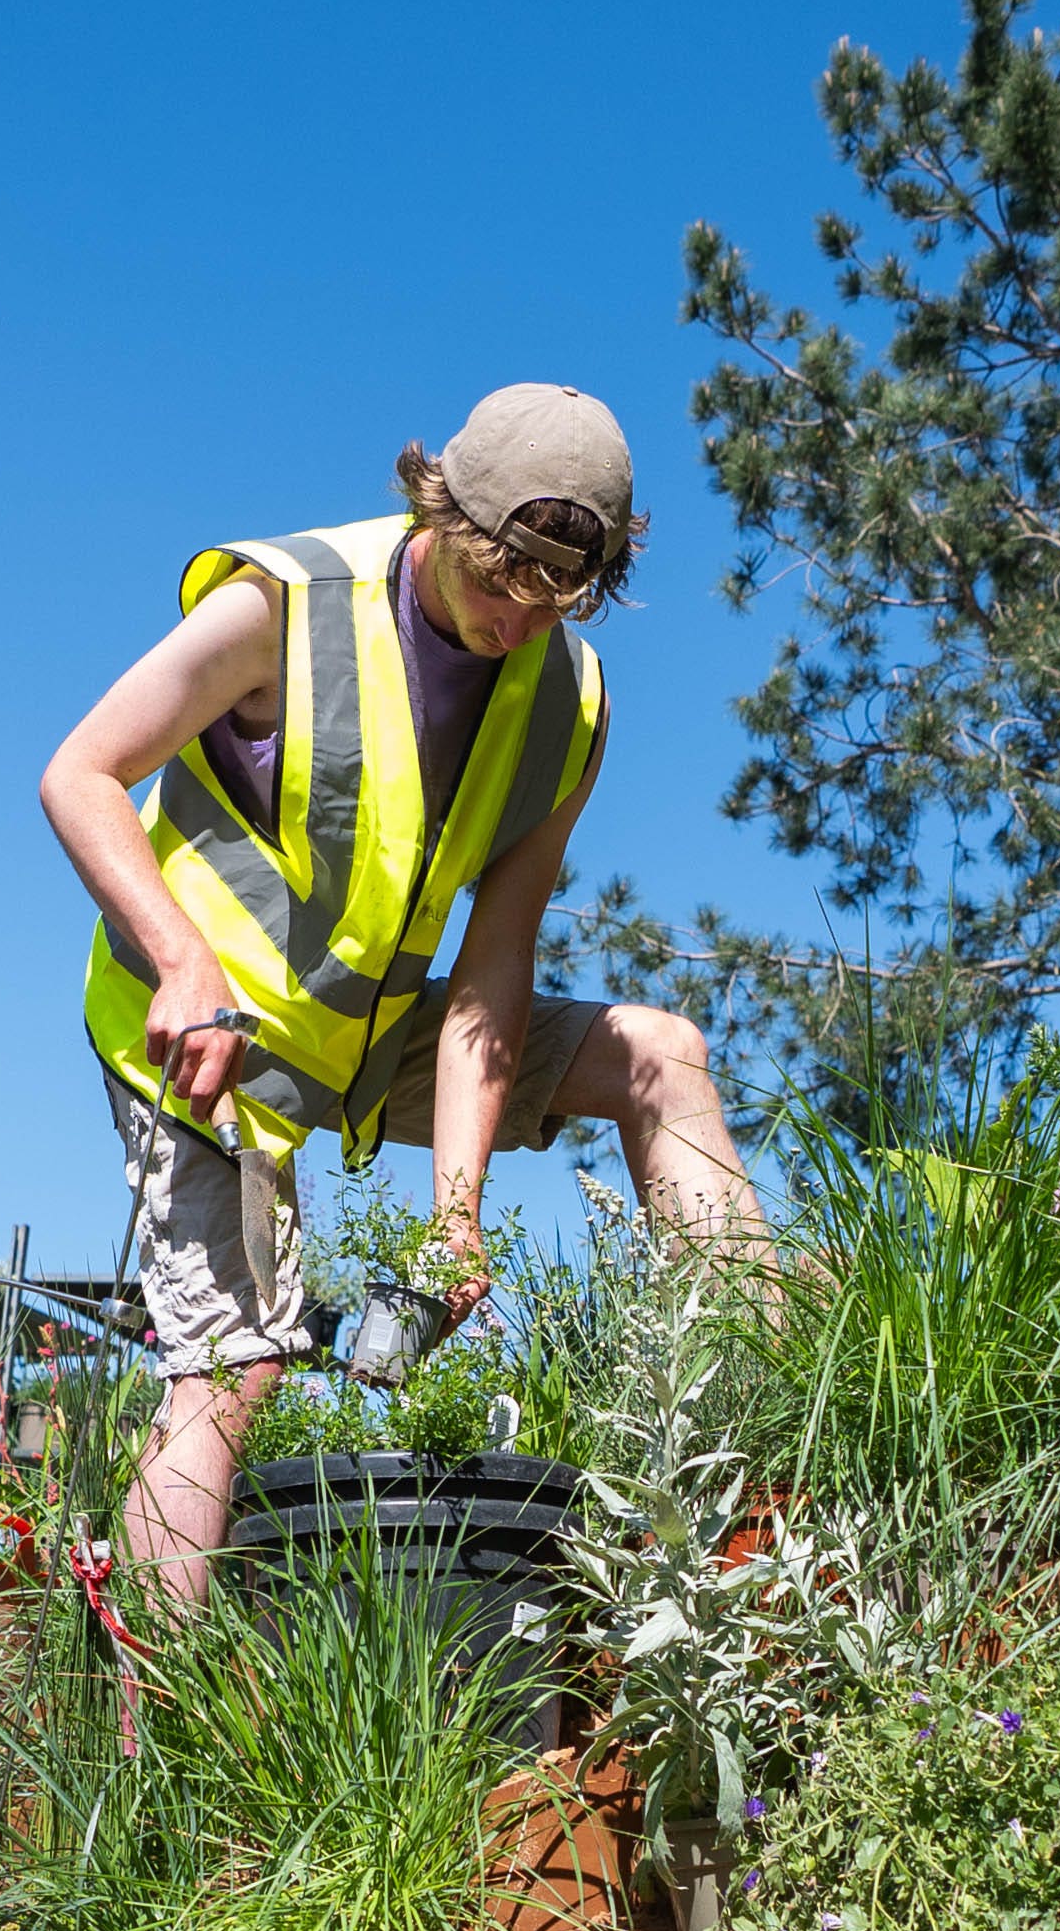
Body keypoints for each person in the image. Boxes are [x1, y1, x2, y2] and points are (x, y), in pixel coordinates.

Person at [40, 384, 762, 1607]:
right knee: (235, 1368)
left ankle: (772, 1442)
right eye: (498, 583)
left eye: (556, 601)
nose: (518, 623)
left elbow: (494, 964)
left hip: (374, 1039)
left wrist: (455, 1216)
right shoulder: (283, 605)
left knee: (661, 1057)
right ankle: (150, 1712)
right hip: (207, 1036)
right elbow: (81, 772)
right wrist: (180, 956)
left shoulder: (571, 707)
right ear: (442, 513)